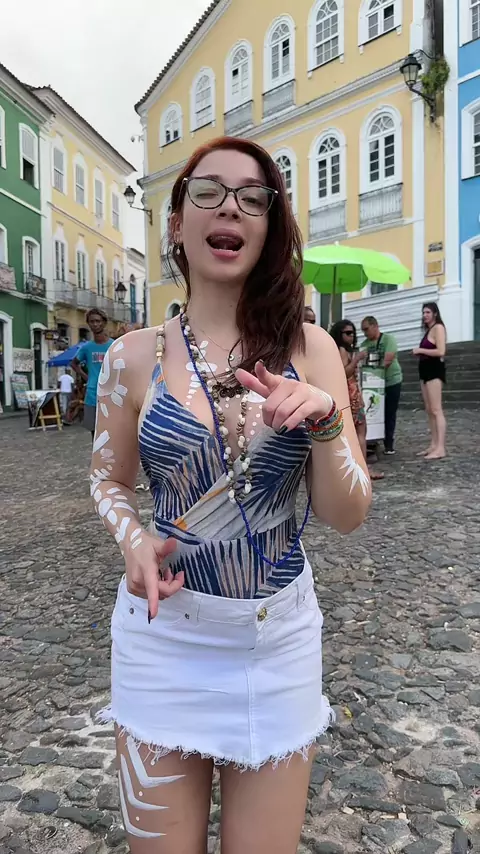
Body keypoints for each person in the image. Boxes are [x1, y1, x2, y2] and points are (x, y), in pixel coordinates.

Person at [90, 136, 371, 854]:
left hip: (276, 642)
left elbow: (347, 514)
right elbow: (109, 479)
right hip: (164, 642)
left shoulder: (311, 349)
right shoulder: (133, 356)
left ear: (270, 226)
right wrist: (133, 540)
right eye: (208, 192)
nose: (231, 209)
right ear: (177, 221)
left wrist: (325, 421)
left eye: (253, 197)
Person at [330, 319, 384, 481]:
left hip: (351, 393)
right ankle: (363, 467)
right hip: (350, 394)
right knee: (360, 430)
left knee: (356, 431)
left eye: (353, 333)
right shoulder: (341, 350)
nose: (351, 336)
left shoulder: (344, 350)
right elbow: (343, 373)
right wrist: (356, 359)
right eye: (347, 333)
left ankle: (357, 466)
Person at [360, 316, 403, 455]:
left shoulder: (388, 339)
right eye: (363, 330)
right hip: (372, 384)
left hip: (391, 381)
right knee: (372, 412)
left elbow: (388, 359)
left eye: (366, 329)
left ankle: (388, 443)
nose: (365, 333)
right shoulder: (365, 344)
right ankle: (372, 441)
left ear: (375, 326)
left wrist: (375, 373)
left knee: (389, 412)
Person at [71, 309, 113, 439]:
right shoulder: (86, 348)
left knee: (112, 432)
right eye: (92, 321)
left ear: (104, 323)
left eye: (98, 321)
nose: (95, 324)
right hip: (92, 395)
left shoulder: (113, 345)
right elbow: (74, 363)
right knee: (94, 434)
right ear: (88, 324)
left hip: (111, 394)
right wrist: (86, 377)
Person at [413, 301, 447, 459]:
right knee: (429, 409)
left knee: (436, 409)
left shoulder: (438, 328)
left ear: (435, 313)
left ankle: (441, 447)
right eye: (423, 312)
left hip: (434, 370)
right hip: (425, 370)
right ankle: (433, 444)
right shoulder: (428, 330)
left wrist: (421, 350)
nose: (425, 315)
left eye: (427, 312)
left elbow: (441, 351)